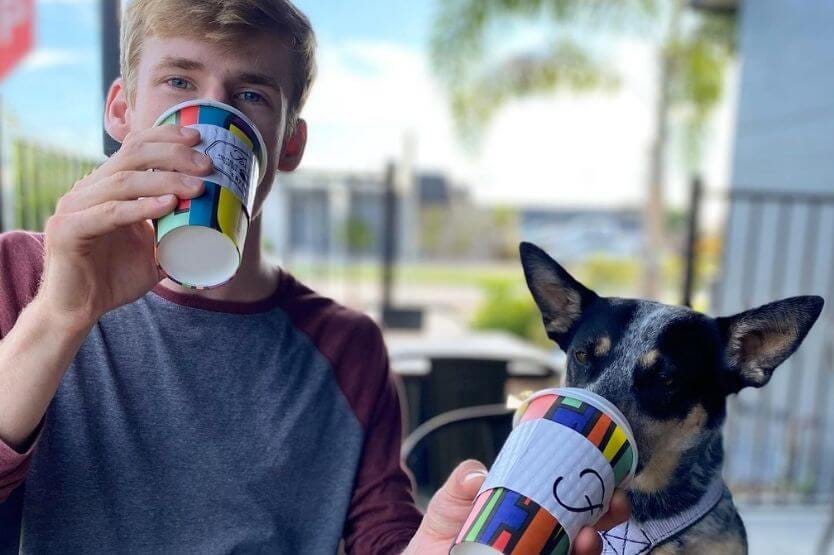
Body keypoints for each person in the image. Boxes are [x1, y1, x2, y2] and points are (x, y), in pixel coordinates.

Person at [0, 0, 629, 553]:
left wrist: (443, 542)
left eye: (251, 95)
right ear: (122, 110)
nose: (208, 115)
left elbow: (383, 539)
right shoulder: (26, 276)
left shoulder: (346, 348)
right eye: (177, 80)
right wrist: (61, 313)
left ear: (288, 143)